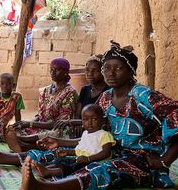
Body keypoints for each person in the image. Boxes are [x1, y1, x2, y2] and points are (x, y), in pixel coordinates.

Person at [17, 40, 178, 189]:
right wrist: (59, 142)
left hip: (141, 161)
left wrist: (164, 160)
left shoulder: (144, 96)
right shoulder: (106, 98)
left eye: (118, 68)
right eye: (107, 68)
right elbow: (94, 135)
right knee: (62, 154)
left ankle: (45, 188)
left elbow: (175, 116)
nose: (111, 73)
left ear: (131, 71)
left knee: (102, 170)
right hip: (108, 150)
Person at [2, 57, 79, 152]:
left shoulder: (70, 93)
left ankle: (22, 143)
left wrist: (30, 124)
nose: (53, 72)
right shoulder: (46, 90)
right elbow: (40, 115)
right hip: (42, 126)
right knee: (15, 128)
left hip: (57, 128)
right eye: (51, 69)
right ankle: (22, 143)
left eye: (57, 69)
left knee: (57, 134)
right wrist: (27, 124)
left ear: (65, 72)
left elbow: (60, 123)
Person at [30, 104, 115, 179]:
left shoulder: (104, 134)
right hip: (81, 159)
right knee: (63, 160)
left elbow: (106, 152)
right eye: (85, 119)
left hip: (94, 162)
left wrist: (89, 159)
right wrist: (67, 152)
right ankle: (45, 168)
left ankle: (49, 172)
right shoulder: (85, 134)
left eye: (94, 119)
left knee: (73, 167)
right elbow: (80, 150)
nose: (89, 122)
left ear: (102, 120)